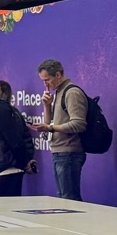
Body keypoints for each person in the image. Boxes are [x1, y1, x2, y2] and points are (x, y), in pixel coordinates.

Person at [32, 58, 88, 201]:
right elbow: (49, 125)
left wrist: (50, 127)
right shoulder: (58, 92)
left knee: (69, 200)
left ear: (58, 75)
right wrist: (47, 106)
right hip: (60, 153)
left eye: (47, 80)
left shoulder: (72, 92)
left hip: (69, 153)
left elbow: (79, 124)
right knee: (64, 198)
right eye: (43, 81)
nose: (45, 85)